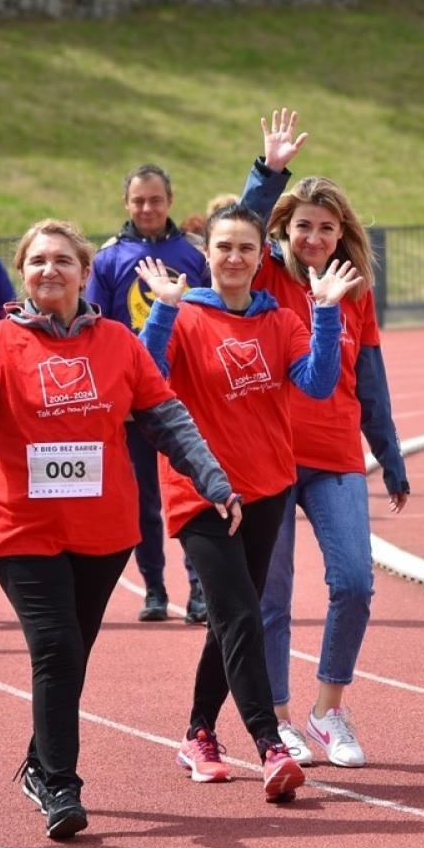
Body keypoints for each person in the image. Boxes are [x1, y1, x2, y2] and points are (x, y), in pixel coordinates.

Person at [0, 219, 237, 840]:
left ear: (84, 270)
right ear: (23, 272)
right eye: (38, 261)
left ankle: (38, 762)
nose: (50, 271)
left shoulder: (120, 344)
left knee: (70, 656)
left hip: (104, 531)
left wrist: (213, 481)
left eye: (62, 261)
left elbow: (169, 420)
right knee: (57, 649)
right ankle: (60, 784)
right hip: (21, 527)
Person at [135, 203, 357, 801]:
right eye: (223, 247)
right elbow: (147, 376)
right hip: (200, 492)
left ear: (262, 258)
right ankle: (269, 743)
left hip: (267, 490)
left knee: (233, 618)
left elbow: (315, 382)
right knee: (239, 616)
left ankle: (198, 734)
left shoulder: (280, 320)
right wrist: (161, 309)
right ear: (206, 255)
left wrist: (327, 313)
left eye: (246, 249)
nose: (234, 258)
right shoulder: (183, 317)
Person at [83, 119, 301, 624]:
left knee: (197, 490)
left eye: (156, 199)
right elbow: (94, 328)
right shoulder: (111, 258)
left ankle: (200, 588)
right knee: (144, 502)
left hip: (181, 399)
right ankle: (155, 588)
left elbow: (241, 231)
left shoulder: (192, 254)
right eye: (138, 201)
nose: (147, 208)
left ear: (170, 200)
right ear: (127, 205)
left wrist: (268, 171)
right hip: (132, 398)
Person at [242, 171, 410, 769]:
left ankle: (328, 710)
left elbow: (370, 381)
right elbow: (241, 225)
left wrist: (389, 456)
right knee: (273, 595)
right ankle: (279, 720)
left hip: (336, 455)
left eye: (327, 227)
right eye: (304, 225)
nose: (314, 237)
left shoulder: (355, 291)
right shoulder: (264, 274)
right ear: (285, 228)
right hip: (271, 458)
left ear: (343, 234)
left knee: (355, 583)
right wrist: (266, 173)